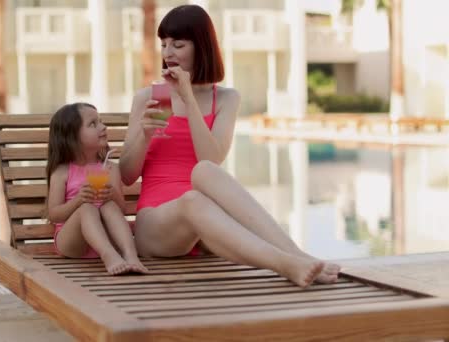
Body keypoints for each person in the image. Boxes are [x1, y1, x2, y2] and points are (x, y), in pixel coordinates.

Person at [119, 5, 339, 287]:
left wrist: (188, 100)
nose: (167, 53)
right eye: (164, 44)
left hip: (206, 225)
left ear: (201, 47)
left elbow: (211, 158)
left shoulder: (225, 99)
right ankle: (285, 264)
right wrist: (142, 136)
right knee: (192, 199)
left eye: (178, 44)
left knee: (205, 172)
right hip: (158, 225)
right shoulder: (146, 98)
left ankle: (299, 255)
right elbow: (125, 175)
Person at [46, 102, 148, 275]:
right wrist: (78, 200)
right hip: (72, 243)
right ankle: (108, 256)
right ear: (72, 136)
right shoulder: (62, 171)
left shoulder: (110, 168)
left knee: (109, 205)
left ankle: (130, 255)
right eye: (93, 124)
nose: (103, 127)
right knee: (87, 208)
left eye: (100, 121)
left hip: (108, 238)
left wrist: (112, 194)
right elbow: (54, 214)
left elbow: (120, 209)